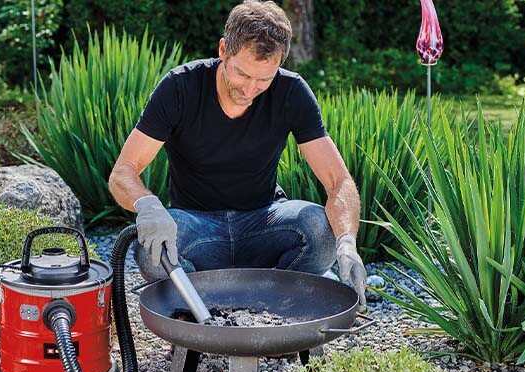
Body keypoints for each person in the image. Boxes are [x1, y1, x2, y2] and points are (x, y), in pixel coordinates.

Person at [108, 0, 367, 308]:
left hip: (263, 220)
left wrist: (347, 243)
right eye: (242, 75)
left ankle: (274, 311)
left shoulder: (291, 92)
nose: (250, 90)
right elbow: (123, 171)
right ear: (222, 50)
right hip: (196, 226)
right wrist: (148, 206)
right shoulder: (180, 88)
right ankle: (199, 310)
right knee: (152, 253)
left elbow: (339, 180)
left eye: (263, 80)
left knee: (319, 228)